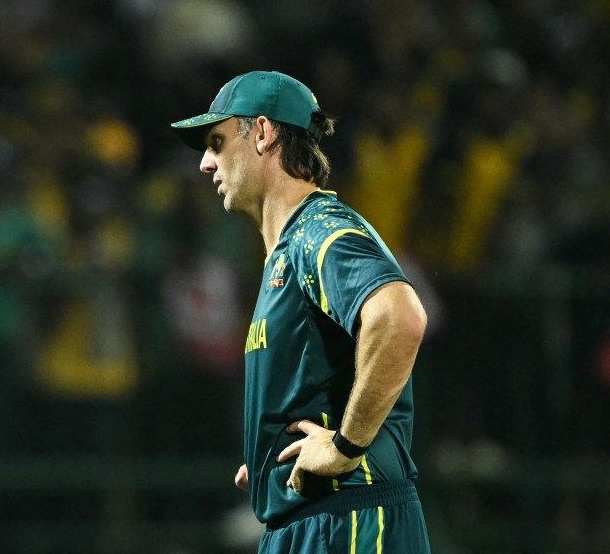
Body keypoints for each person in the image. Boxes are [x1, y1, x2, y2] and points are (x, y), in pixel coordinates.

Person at [171, 71, 432, 553]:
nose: (206, 163)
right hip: (309, 522)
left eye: (216, 141)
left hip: (348, 522)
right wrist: (270, 454)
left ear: (264, 134)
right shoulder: (290, 250)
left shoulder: (319, 231)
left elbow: (400, 316)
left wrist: (344, 446)